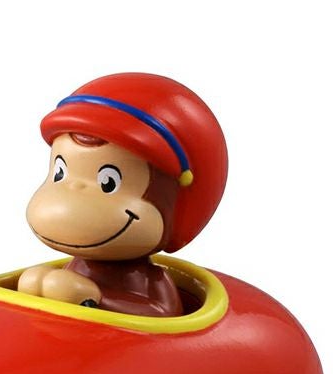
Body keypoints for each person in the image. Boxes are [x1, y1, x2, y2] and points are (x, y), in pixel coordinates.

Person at [20, 73, 229, 317]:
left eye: (109, 183)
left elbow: (161, 313)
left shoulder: (150, 279)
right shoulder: (74, 269)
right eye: (59, 172)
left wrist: (93, 298)